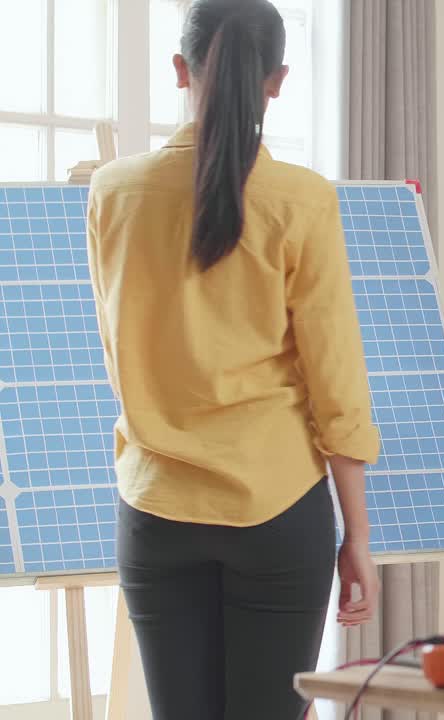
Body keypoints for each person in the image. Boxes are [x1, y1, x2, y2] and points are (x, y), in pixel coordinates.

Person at [85, 1, 381, 717]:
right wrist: (358, 538)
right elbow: (333, 379)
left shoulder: (113, 191)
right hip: (277, 510)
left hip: (156, 506)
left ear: (179, 69)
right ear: (276, 81)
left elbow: (117, 345)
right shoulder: (300, 200)